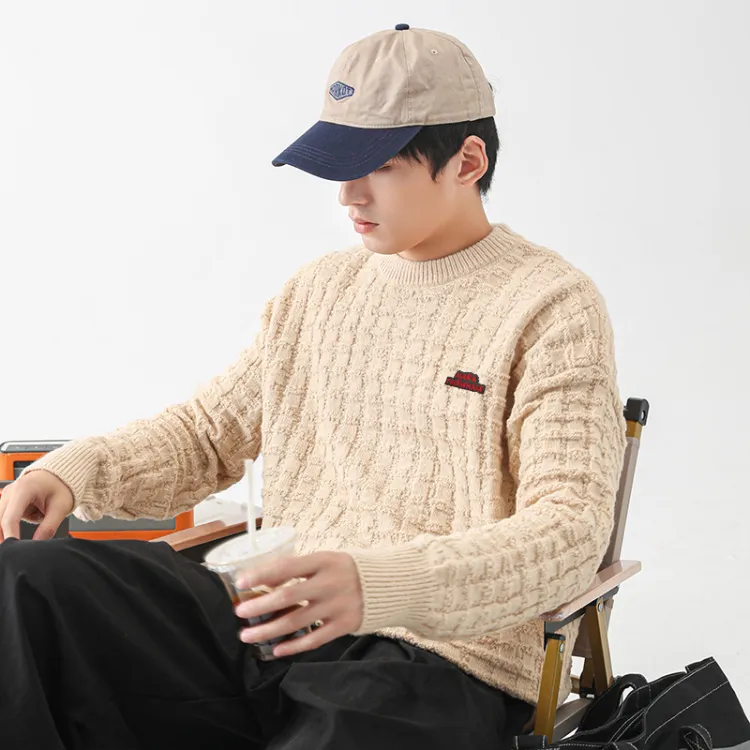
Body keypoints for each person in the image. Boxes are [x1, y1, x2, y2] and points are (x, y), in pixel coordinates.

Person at [0, 24, 627, 750]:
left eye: (380, 165)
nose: (348, 195)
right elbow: (208, 433)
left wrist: (376, 585)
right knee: (25, 581)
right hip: (267, 613)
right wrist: (75, 470)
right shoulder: (320, 290)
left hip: (436, 658)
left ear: (467, 160)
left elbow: (569, 530)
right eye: (339, 165)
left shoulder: (551, 306)